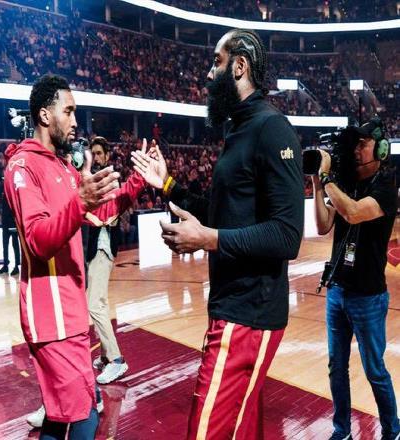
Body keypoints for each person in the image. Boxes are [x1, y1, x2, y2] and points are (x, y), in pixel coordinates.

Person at [131, 29, 304, 439]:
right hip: (232, 306)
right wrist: (168, 185)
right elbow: (221, 211)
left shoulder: (271, 128)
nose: (209, 74)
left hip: (249, 315)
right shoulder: (237, 129)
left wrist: (208, 239)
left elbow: (287, 236)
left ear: (239, 66)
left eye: (217, 62)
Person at [4, 74, 145, 439]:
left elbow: (101, 213)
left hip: (71, 312)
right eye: (68, 111)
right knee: (85, 416)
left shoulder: (64, 167)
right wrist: (80, 201)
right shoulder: (22, 167)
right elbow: (37, 239)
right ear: (44, 115)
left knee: (60, 416)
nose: (75, 120)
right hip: (50, 317)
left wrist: (138, 182)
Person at [312, 117, 399, 440]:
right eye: (355, 144)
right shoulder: (345, 184)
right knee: (336, 368)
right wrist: (317, 183)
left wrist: (328, 178)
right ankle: (342, 431)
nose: (356, 150)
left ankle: (392, 431)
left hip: (368, 296)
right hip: (338, 291)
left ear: (381, 149)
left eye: (363, 144)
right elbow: (323, 225)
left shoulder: (385, 188)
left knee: (374, 370)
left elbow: (353, 212)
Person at [86, 136, 128, 384]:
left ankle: (116, 360)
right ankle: (104, 355)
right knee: (100, 301)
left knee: (94, 304)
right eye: (93, 153)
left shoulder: (110, 180)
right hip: (96, 247)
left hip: (103, 246)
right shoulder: (95, 179)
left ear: (107, 155)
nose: (96, 157)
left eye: (99, 153)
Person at [0, 195, 20, 276]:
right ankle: (5, 265)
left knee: (15, 245)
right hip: (5, 223)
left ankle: (17, 266)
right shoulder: (4, 194)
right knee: (5, 246)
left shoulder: (13, 194)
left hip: (13, 223)